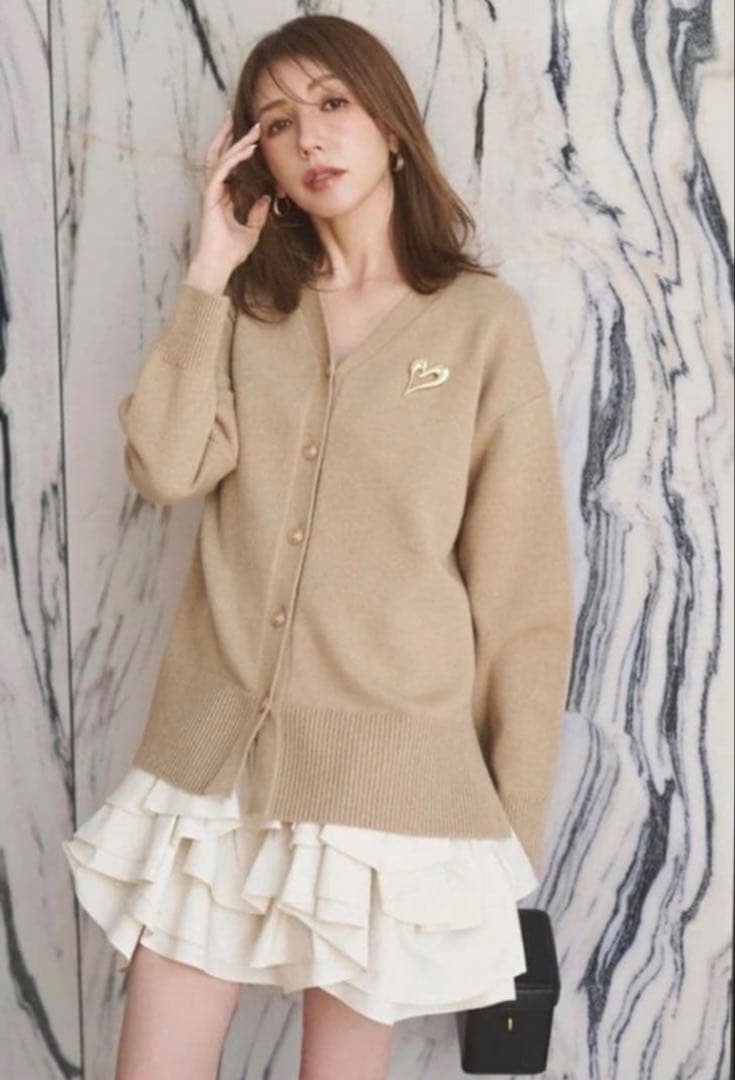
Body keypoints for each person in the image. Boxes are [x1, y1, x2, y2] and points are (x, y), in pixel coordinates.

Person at [62, 13, 575, 1080]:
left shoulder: (479, 323)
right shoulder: (250, 309)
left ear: (391, 126)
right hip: (215, 775)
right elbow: (164, 465)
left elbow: (521, 595)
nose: (310, 139)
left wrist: (506, 835)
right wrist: (210, 268)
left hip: (393, 794)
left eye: (334, 104)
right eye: (278, 122)